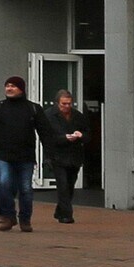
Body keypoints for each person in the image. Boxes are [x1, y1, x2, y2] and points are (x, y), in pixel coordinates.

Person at [0, 75, 46, 232]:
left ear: (21, 89)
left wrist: (49, 155)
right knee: (4, 185)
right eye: (7, 85)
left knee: (26, 189)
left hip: (26, 157)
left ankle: (25, 219)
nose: (9, 88)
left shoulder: (33, 109)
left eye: (13, 86)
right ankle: (9, 216)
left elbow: (45, 133)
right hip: (3, 156)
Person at [39, 87, 92, 224]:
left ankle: (60, 210)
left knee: (69, 185)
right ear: (57, 103)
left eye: (69, 103)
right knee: (62, 185)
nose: (67, 107)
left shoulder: (78, 116)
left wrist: (81, 136)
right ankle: (67, 215)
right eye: (64, 104)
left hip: (75, 156)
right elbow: (46, 138)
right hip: (57, 156)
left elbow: (88, 135)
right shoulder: (48, 116)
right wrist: (64, 138)